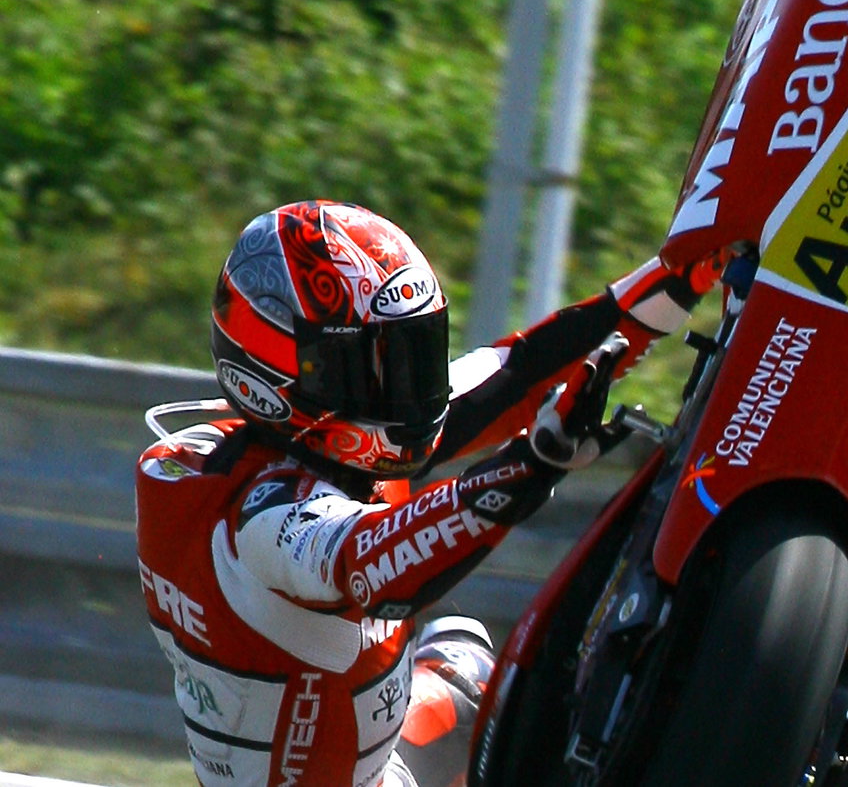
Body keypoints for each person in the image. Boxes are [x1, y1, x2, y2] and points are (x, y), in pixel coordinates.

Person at [135, 199, 723, 787]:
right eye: (377, 365)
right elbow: (371, 561)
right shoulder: (255, 519)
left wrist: (679, 277)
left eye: (415, 353)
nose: (409, 392)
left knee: (466, 664)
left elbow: (514, 372)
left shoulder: (335, 451)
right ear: (289, 374)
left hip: (383, 775)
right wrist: (528, 467)